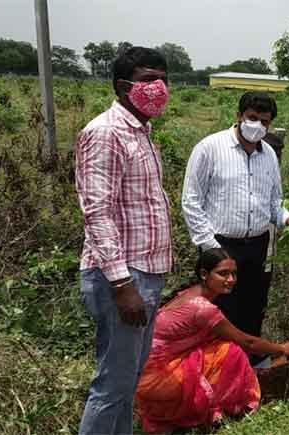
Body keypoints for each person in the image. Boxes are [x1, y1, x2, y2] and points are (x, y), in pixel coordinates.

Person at [75, 47, 173, 434]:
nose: (159, 87)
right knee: (112, 386)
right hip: (124, 278)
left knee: (127, 382)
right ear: (122, 86)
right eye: (149, 79)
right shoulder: (104, 132)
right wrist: (121, 284)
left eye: (164, 78)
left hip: (145, 274)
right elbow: (97, 212)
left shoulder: (142, 131)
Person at [134, 249, 289, 433]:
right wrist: (282, 348)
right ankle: (219, 409)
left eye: (234, 274)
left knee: (216, 345)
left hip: (143, 372)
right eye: (223, 273)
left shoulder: (189, 292)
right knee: (231, 351)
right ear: (204, 274)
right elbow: (248, 342)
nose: (231, 279)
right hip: (158, 380)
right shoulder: (203, 309)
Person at [181, 91, 289, 338]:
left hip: (257, 245)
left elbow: (273, 202)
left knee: (253, 303)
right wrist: (209, 246)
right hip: (219, 243)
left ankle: (251, 361)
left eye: (265, 121)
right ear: (238, 116)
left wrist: (286, 218)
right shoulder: (209, 148)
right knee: (219, 308)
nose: (258, 125)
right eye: (252, 117)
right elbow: (191, 201)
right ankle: (216, 364)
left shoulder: (268, 154)